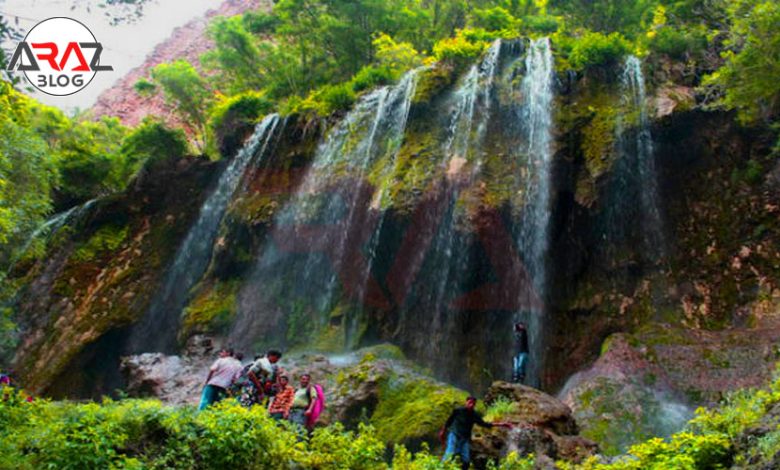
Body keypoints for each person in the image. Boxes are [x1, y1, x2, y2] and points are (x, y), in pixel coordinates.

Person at [440, 396, 509, 469]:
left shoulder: (474, 415)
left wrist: (502, 424)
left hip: (465, 439)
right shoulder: (458, 411)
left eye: (473, 403)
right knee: (449, 454)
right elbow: (449, 421)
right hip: (454, 435)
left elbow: (484, 424)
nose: (471, 405)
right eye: (470, 402)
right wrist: (443, 431)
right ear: (466, 402)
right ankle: (441, 467)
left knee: (466, 460)